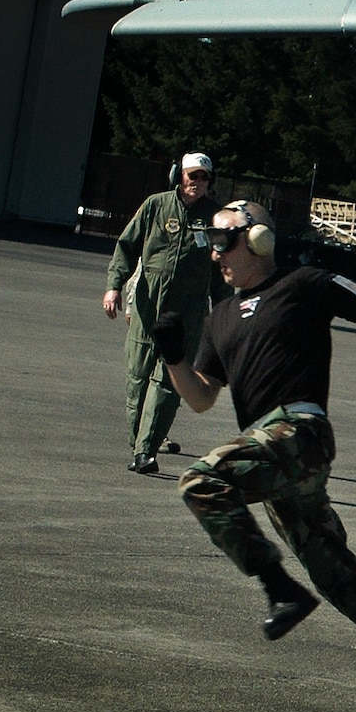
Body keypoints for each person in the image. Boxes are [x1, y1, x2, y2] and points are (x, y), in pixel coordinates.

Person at [152, 200, 356, 712]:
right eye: (210, 242)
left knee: (199, 479)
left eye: (224, 240)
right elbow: (203, 397)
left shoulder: (304, 283)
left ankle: (278, 589)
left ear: (258, 239)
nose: (216, 254)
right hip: (271, 453)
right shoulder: (221, 317)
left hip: (299, 432)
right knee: (335, 574)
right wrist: (174, 357)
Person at [103, 152, 227, 474]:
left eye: (203, 178)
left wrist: (225, 315)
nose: (197, 183)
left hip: (186, 314)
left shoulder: (216, 219)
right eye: (192, 175)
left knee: (169, 383)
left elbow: (221, 271)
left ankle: (146, 451)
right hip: (147, 309)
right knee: (137, 378)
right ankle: (139, 443)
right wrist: (114, 286)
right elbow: (127, 246)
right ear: (178, 176)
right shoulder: (155, 206)